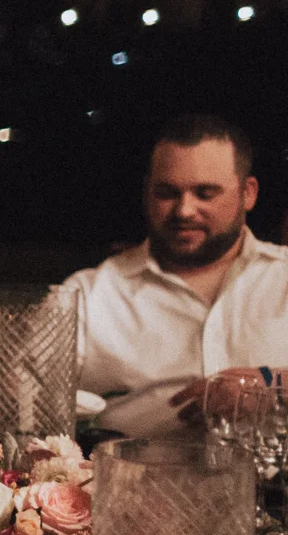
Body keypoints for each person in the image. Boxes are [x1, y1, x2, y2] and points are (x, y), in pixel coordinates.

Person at [69, 114, 288, 438]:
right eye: (167, 193)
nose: (184, 210)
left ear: (248, 193)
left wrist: (272, 385)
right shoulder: (88, 294)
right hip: (129, 470)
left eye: (205, 193)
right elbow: (20, 402)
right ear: (147, 192)